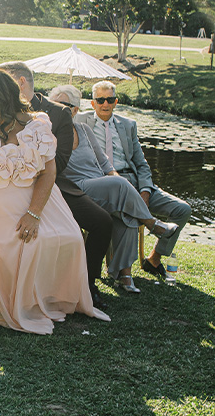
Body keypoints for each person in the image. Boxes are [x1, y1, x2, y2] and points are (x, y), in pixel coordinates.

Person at [0, 68, 108, 334]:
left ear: (1, 97)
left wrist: (34, 213)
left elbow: (48, 172)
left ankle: (49, 298)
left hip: (36, 202)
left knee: (70, 236)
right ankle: (16, 303)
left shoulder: (37, 125)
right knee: (16, 243)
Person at [0, 61, 113, 310]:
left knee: (102, 222)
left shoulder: (58, 113)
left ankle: (87, 284)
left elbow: (61, 160)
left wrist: (29, 168)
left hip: (53, 183)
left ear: (20, 82)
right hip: (7, 188)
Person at [50, 85, 179, 293]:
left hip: (101, 183)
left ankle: (123, 274)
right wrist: (119, 184)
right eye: (53, 104)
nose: (57, 109)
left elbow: (105, 164)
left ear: (75, 110)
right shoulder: (49, 134)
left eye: (63, 105)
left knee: (125, 209)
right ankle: (152, 224)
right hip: (76, 188)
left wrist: (118, 181)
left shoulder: (84, 130)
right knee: (120, 186)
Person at [76, 80, 191, 279]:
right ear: (92, 103)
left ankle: (154, 259)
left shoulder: (128, 125)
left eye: (110, 99)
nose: (105, 104)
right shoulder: (79, 121)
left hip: (133, 179)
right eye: (100, 100)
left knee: (182, 209)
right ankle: (121, 272)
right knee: (127, 215)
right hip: (103, 183)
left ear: (116, 101)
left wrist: (145, 191)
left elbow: (141, 164)